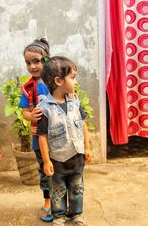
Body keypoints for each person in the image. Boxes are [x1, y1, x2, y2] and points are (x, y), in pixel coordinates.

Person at [37, 56, 92, 226]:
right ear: (59, 81)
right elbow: (42, 137)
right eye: (73, 77)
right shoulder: (45, 109)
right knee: (57, 190)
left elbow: (83, 125)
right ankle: (59, 215)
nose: (75, 81)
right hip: (57, 160)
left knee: (77, 188)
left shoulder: (75, 102)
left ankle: (76, 214)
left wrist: (87, 148)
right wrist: (46, 161)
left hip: (77, 157)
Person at [18, 38, 53, 222]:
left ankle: (63, 202)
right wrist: (30, 116)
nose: (32, 66)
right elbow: (24, 112)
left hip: (59, 136)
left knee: (61, 169)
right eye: (28, 62)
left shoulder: (56, 82)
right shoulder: (28, 88)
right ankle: (48, 201)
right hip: (40, 138)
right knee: (45, 169)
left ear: (46, 60)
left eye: (37, 61)